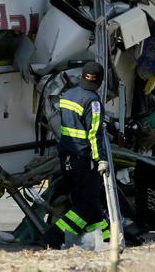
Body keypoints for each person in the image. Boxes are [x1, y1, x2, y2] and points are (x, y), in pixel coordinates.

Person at [45, 61, 112, 247]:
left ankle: (107, 239)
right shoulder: (93, 101)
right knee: (85, 208)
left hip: (66, 157)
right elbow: (95, 133)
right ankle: (54, 236)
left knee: (91, 205)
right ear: (99, 82)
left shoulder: (68, 94)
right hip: (83, 159)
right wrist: (102, 159)